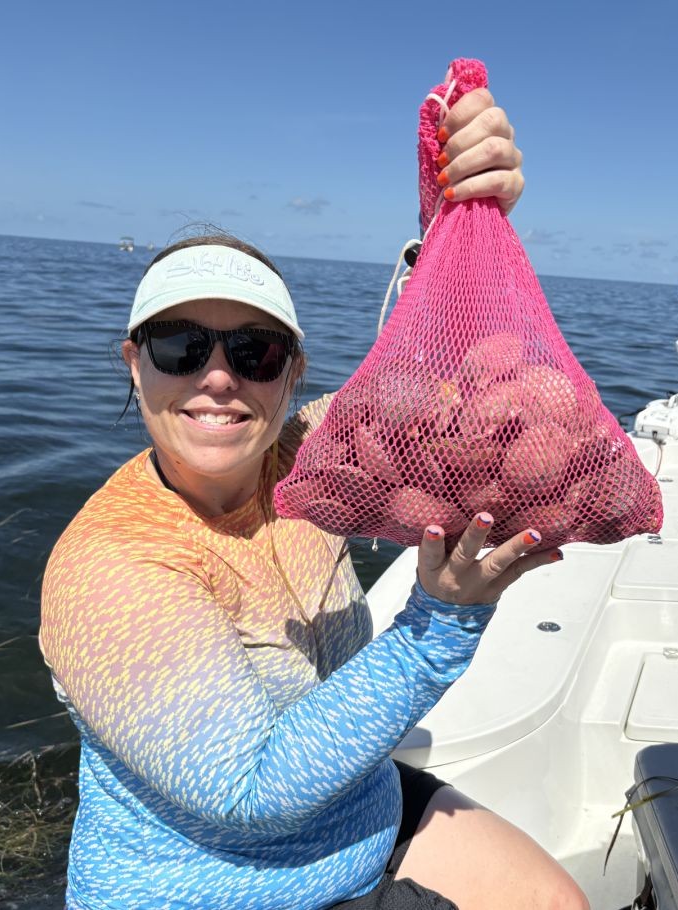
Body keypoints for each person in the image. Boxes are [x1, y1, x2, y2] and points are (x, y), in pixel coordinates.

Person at [40, 87, 589, 910]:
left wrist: (458, 210)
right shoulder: (112, 567)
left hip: (350, 806)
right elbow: (248, 794)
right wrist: (438, 623)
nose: (217, 377)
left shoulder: (304, 457)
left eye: (254, 352)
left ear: (292, 373)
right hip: (225, 884)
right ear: (134, 362)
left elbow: (446, 378)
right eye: (181, 345)